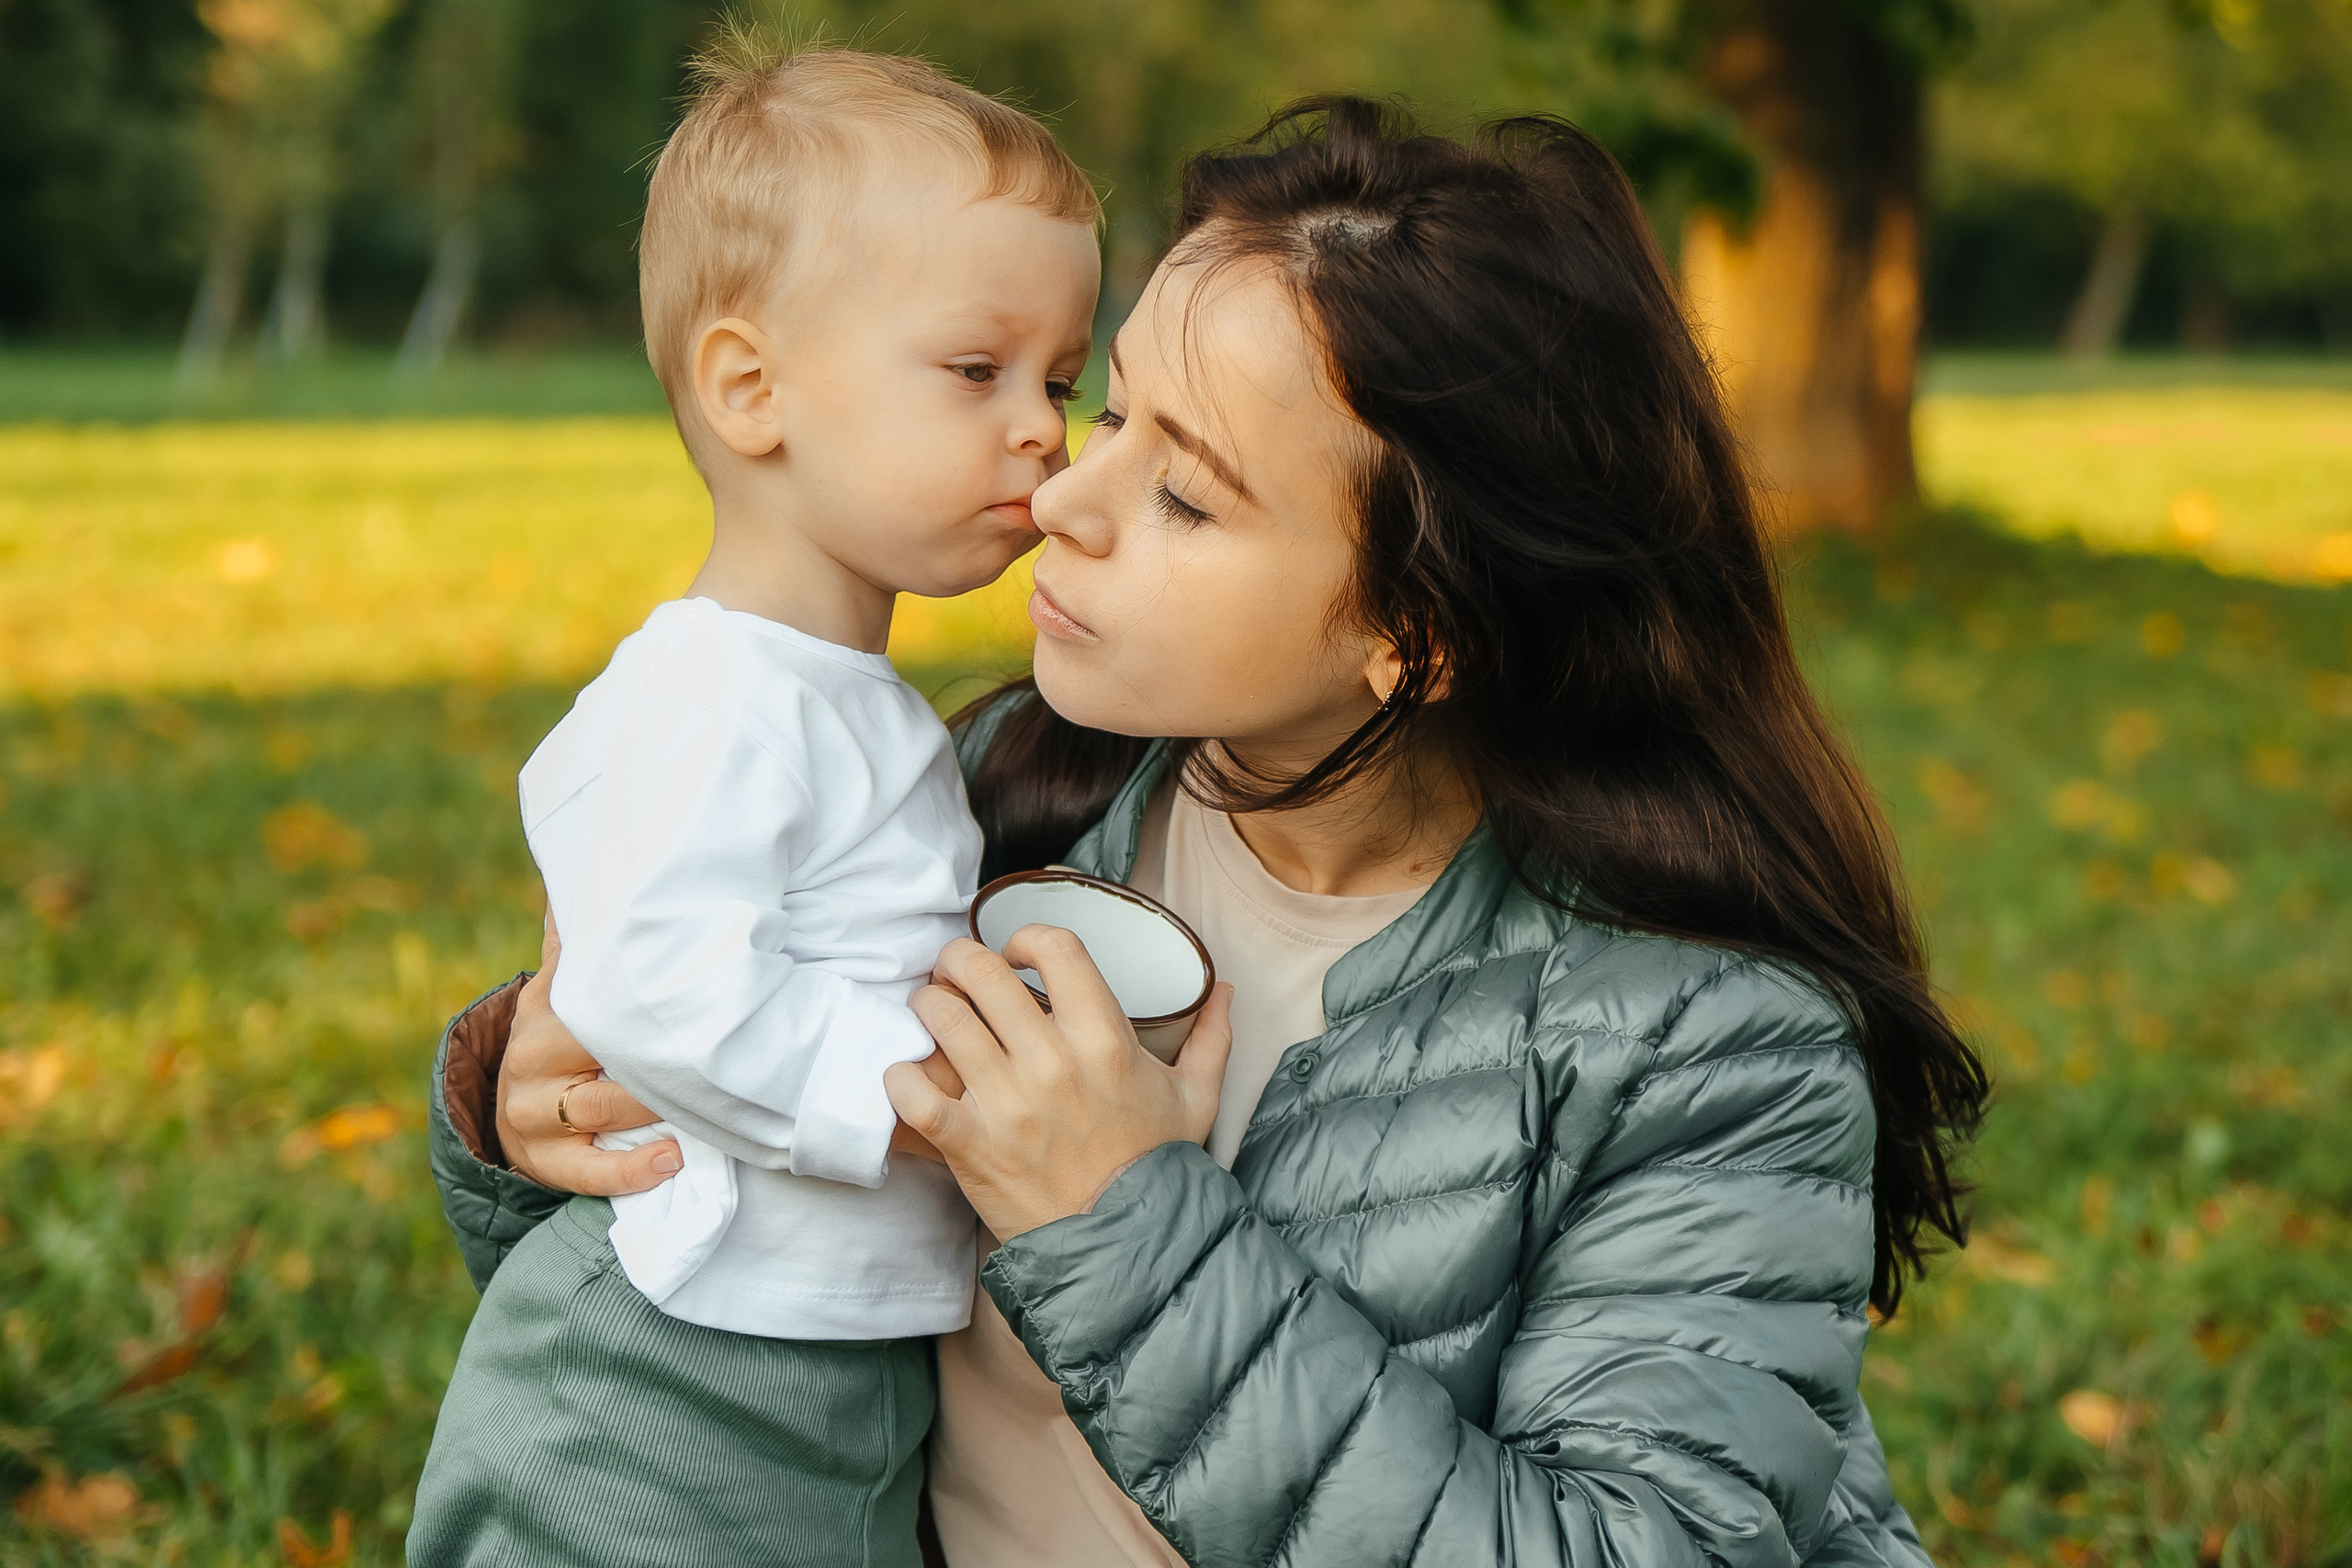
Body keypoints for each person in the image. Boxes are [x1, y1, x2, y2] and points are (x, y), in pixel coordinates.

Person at [424, 98, 1989, 1567]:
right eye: (1108, 411)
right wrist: (535, 1107)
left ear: (1420, 630)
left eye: (1189, 496)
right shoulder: (1002, 799)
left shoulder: (1706, 1047)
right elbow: (732, 1351)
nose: (1059, 498)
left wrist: (1124, 1226)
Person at [404, 37, 1101, 1568]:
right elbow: (653, 983)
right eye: (977, 370)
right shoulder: (717, 696)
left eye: (1059, 377)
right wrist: (938, 1102)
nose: (1045, 426)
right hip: (660, 1378)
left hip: (824, 1365)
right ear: (751, 386)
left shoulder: (837, 696)